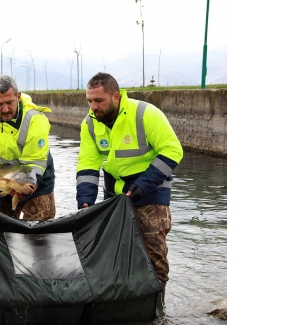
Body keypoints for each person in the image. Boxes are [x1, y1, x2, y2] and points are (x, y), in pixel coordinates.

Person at [75, 72, 183, 316]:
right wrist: (85, 201)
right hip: (114, 195)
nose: (93, 107)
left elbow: (173, 151)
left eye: (99, 101)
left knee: (153, 253)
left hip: (151, 190)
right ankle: (120, 306)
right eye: (89, 101)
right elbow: (87, 164)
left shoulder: (146, 114)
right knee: (112, 250)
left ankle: (156, 309)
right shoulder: (90, 123)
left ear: (115, 96)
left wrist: (143, 185)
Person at [0, 75, 56, 221]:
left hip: (34, 179)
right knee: (0, 230)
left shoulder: (34, 118)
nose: (5, 109)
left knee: (40, 234)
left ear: (18, 96)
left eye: (9, 102)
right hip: (2, 181)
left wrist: (22, 187)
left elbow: (34, 162)